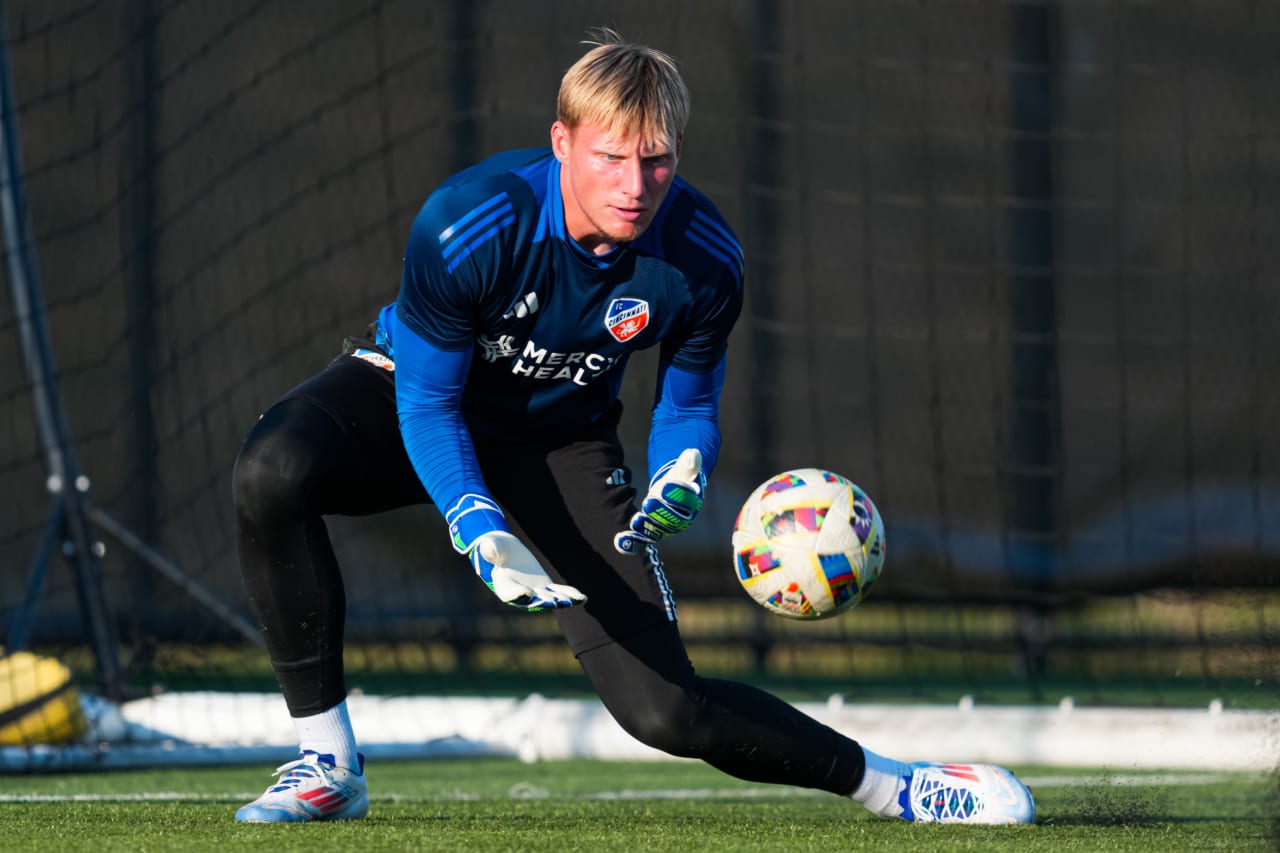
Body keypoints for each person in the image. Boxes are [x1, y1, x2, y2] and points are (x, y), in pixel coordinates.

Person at [230, 28, 1035, 826]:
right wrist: (473, 520)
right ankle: (329, 764)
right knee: (273, 470)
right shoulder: (467, 224)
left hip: (560, 447)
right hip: (420, 403)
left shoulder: (705, 259)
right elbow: (430, 404)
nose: (635, 184)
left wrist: (682, 466)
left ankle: (901, 786)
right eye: (611, 157)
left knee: (668, 714)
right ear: (561, 142)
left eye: (657, 159)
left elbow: (687, 406)